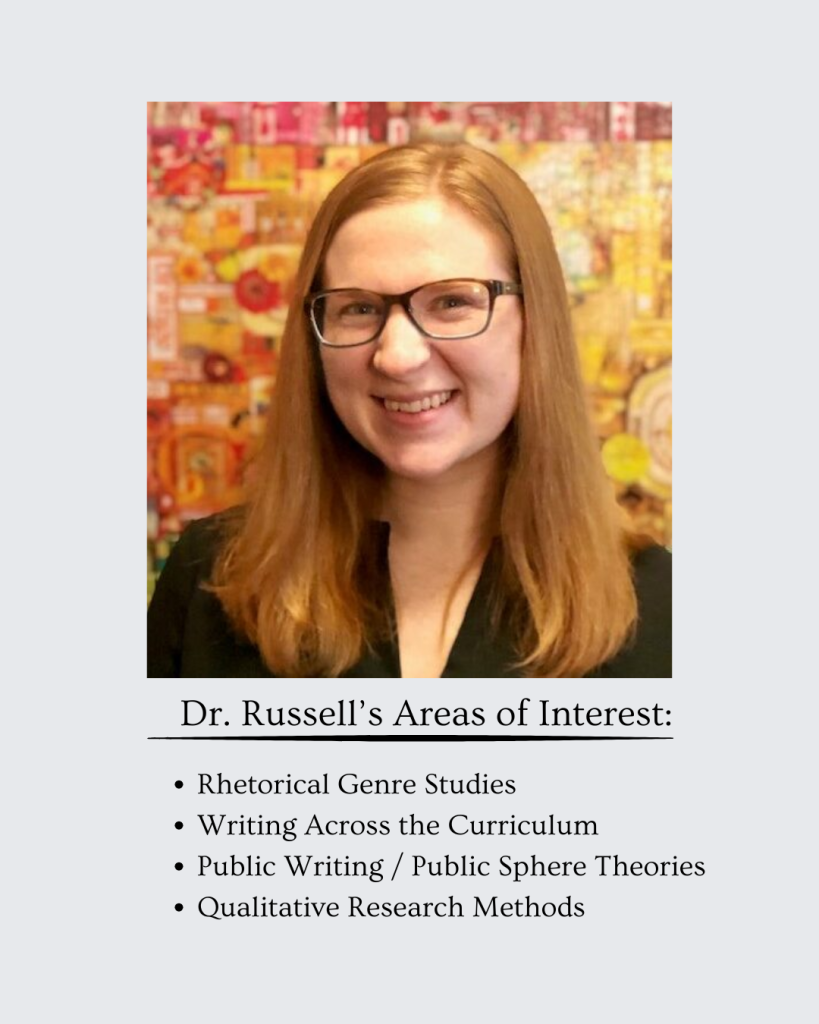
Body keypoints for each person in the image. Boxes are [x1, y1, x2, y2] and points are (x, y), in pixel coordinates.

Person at [148, 143, 671, 678]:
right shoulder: (207, 580)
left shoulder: (661, 609)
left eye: (451, 302)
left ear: (536, 323)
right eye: (357, 308)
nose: (397, 356)